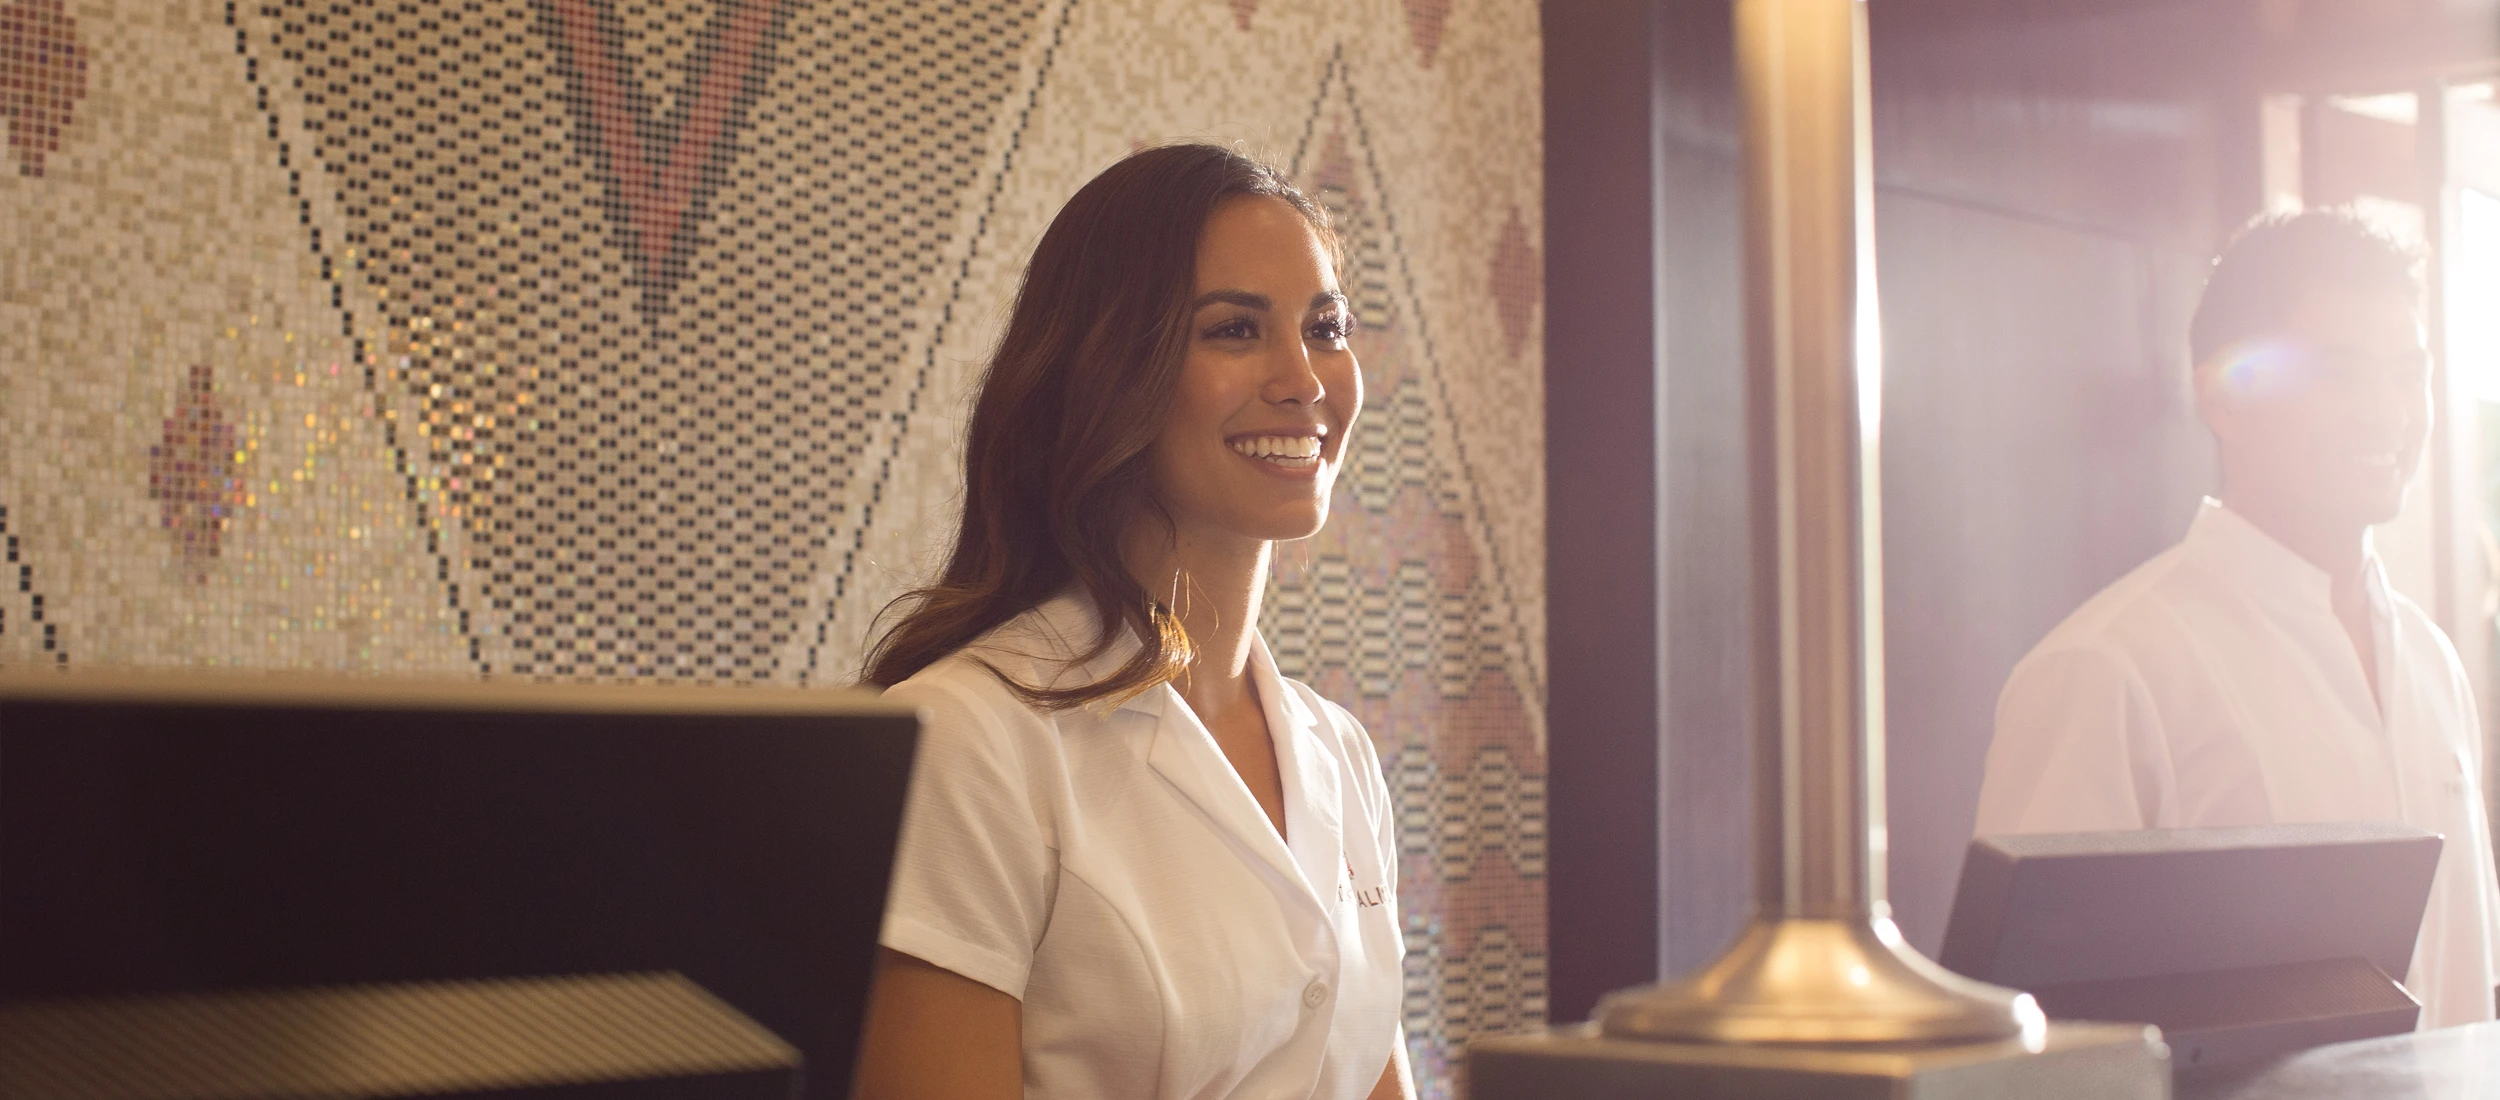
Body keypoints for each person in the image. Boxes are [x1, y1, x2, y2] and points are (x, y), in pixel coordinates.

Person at [851, 144, 1411, 1100]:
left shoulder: (1341, 755)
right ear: (1109, 370)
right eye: (1234, 330)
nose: (1305, 378)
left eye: (1326, 327)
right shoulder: (964, 740)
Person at [1974, 209, 2500, 1029]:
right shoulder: (2108, 672)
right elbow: (2037, 1049)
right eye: (2338, 373)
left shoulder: (2436, 664)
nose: (2388, 412)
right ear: (2224, 396)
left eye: (2407, 373)